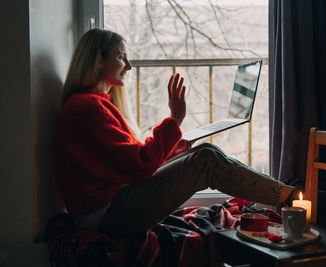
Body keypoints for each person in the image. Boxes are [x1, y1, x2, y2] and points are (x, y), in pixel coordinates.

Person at [56, 28, 296, 237]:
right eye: (121, 57)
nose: (129, 66)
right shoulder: (87, 107)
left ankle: (286, 194)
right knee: (206, 161)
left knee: (206, 151)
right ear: (98, 60)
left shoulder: (94, 103)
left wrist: (172, 150)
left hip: (110, 204)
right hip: (106, 215)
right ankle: (291, 197)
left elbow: (128, 163)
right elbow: (140, 165)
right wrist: (174, 119)